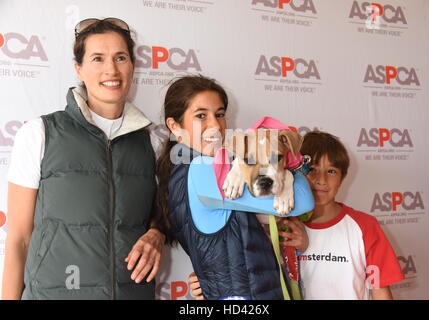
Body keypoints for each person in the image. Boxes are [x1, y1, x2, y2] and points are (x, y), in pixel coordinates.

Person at [2, 18, 167, 300]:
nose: (111, 70)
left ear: (132, 66)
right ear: (78, 68)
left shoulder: (152, 143)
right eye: (97, 59)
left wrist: (157, 235)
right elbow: (19, 239)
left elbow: (161, 215)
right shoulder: (40, 133)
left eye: (120, 57)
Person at [189, 130, 404, 300]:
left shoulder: (364, 226)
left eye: (331, 171)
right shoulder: (275, 221)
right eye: (311, 170)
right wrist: (207, 277)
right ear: (296, 171)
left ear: (343, 177)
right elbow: (245, 262)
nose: (320, 180)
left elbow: (380, 290)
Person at [156, 74, 309, 300]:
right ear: (175, 127)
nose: (216, 125)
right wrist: (290, 170)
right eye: (201, 116)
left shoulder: (196, 168)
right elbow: (303, 200)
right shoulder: (201, 170)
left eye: (219, 115)